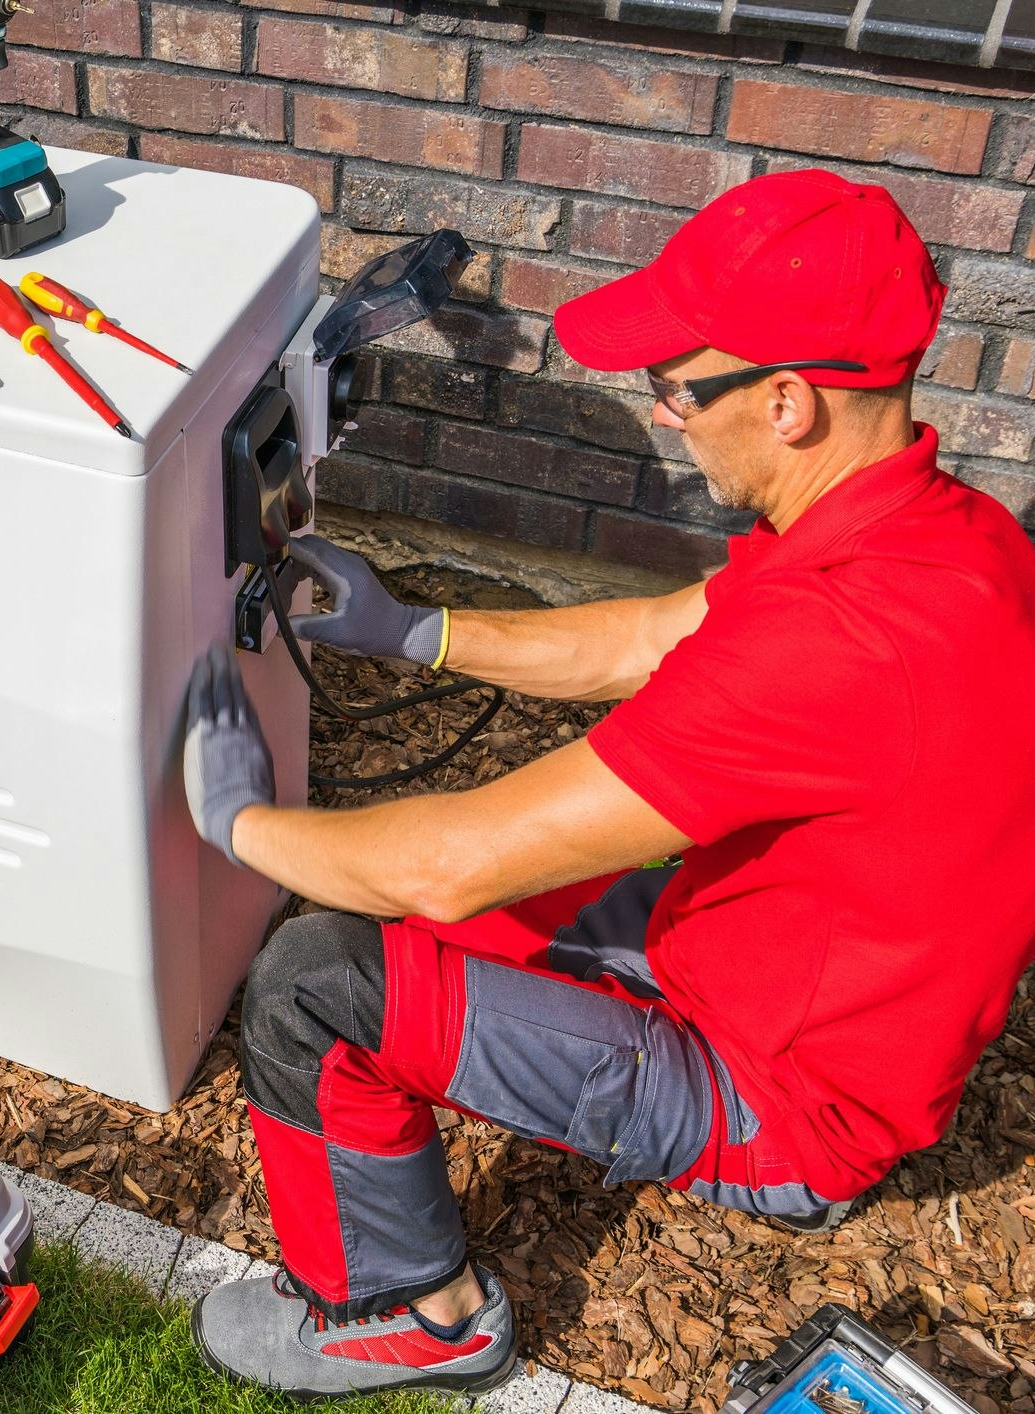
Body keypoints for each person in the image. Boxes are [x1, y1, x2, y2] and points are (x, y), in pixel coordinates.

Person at [178, 168, 1035, 1400]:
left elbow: (445, 861)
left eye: (679, 386)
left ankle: (411, 1318)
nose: (669, 415)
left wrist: (236, 823)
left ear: (788, 401)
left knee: (313, 988)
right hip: (798, 986)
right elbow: (650, 638)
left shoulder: (842, 640)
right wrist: (421, 631)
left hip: (781, 1093)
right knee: (401, 918)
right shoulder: (938, 535)